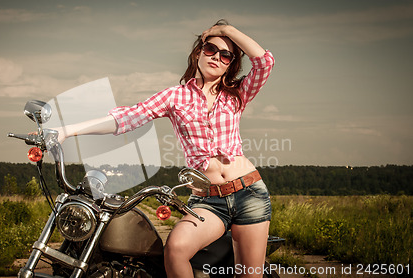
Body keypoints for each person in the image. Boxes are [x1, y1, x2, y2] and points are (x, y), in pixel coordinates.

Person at [55, 20, 274, 278]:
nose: (217, 56)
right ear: (197, 53)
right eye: (211, 49)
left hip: (249, 193)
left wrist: (224, 30)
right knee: (176, 249)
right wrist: (67, 131)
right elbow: (128, 117)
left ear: (230, 65)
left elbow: (264, 62)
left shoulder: (237, 94)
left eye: (226, 55)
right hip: (208, 201)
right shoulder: (175, 96)